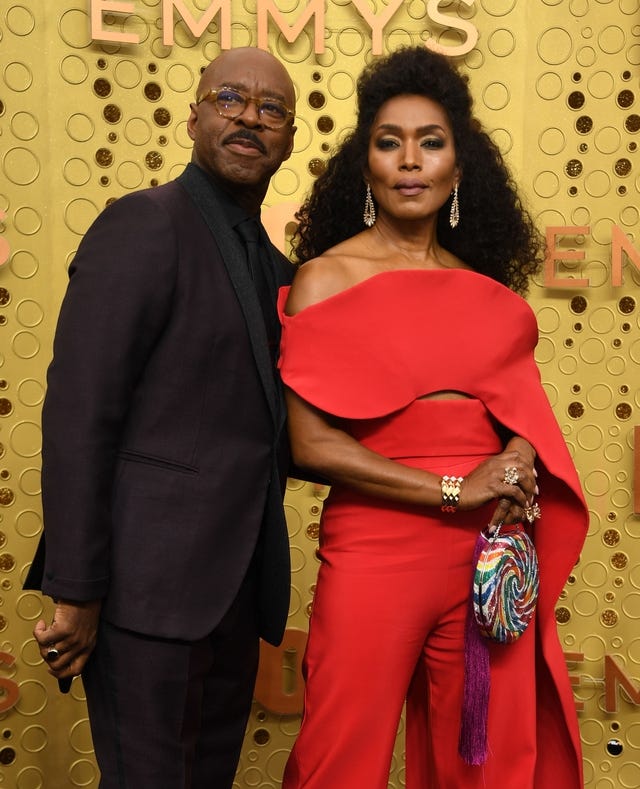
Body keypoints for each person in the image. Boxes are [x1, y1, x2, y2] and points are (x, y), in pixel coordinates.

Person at [277, 46, 587, 788]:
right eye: (389, 142)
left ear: (457, 167)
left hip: (485, 560)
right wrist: (455, 489)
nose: (409, 160)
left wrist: (515, 453)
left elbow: (520, 411)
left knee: (480, 760)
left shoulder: (487, 296)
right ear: (366, 166)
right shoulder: (325, 279)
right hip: (375, 553)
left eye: (431, 141)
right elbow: (311, 443)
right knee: (338, 759)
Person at [25, 46, 297, 788]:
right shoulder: (143, 224)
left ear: (291, 137)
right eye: (231, 98)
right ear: (196, 115)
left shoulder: (281, 273)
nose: (250, 117)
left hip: (237, 597)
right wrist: (75, 588)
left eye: (272, 109)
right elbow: (81, 413)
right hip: (142, 592)